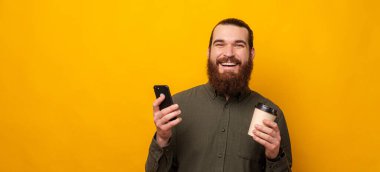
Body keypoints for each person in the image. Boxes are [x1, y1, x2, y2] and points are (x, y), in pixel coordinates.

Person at [146, 18, 292, 172]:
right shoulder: (177, 108)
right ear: (209, 52)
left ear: (251, 53)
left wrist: (274, 156)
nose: (229, 53)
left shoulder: (272, 117)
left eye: (239, 45)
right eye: (220, 44)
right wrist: (162, 139)